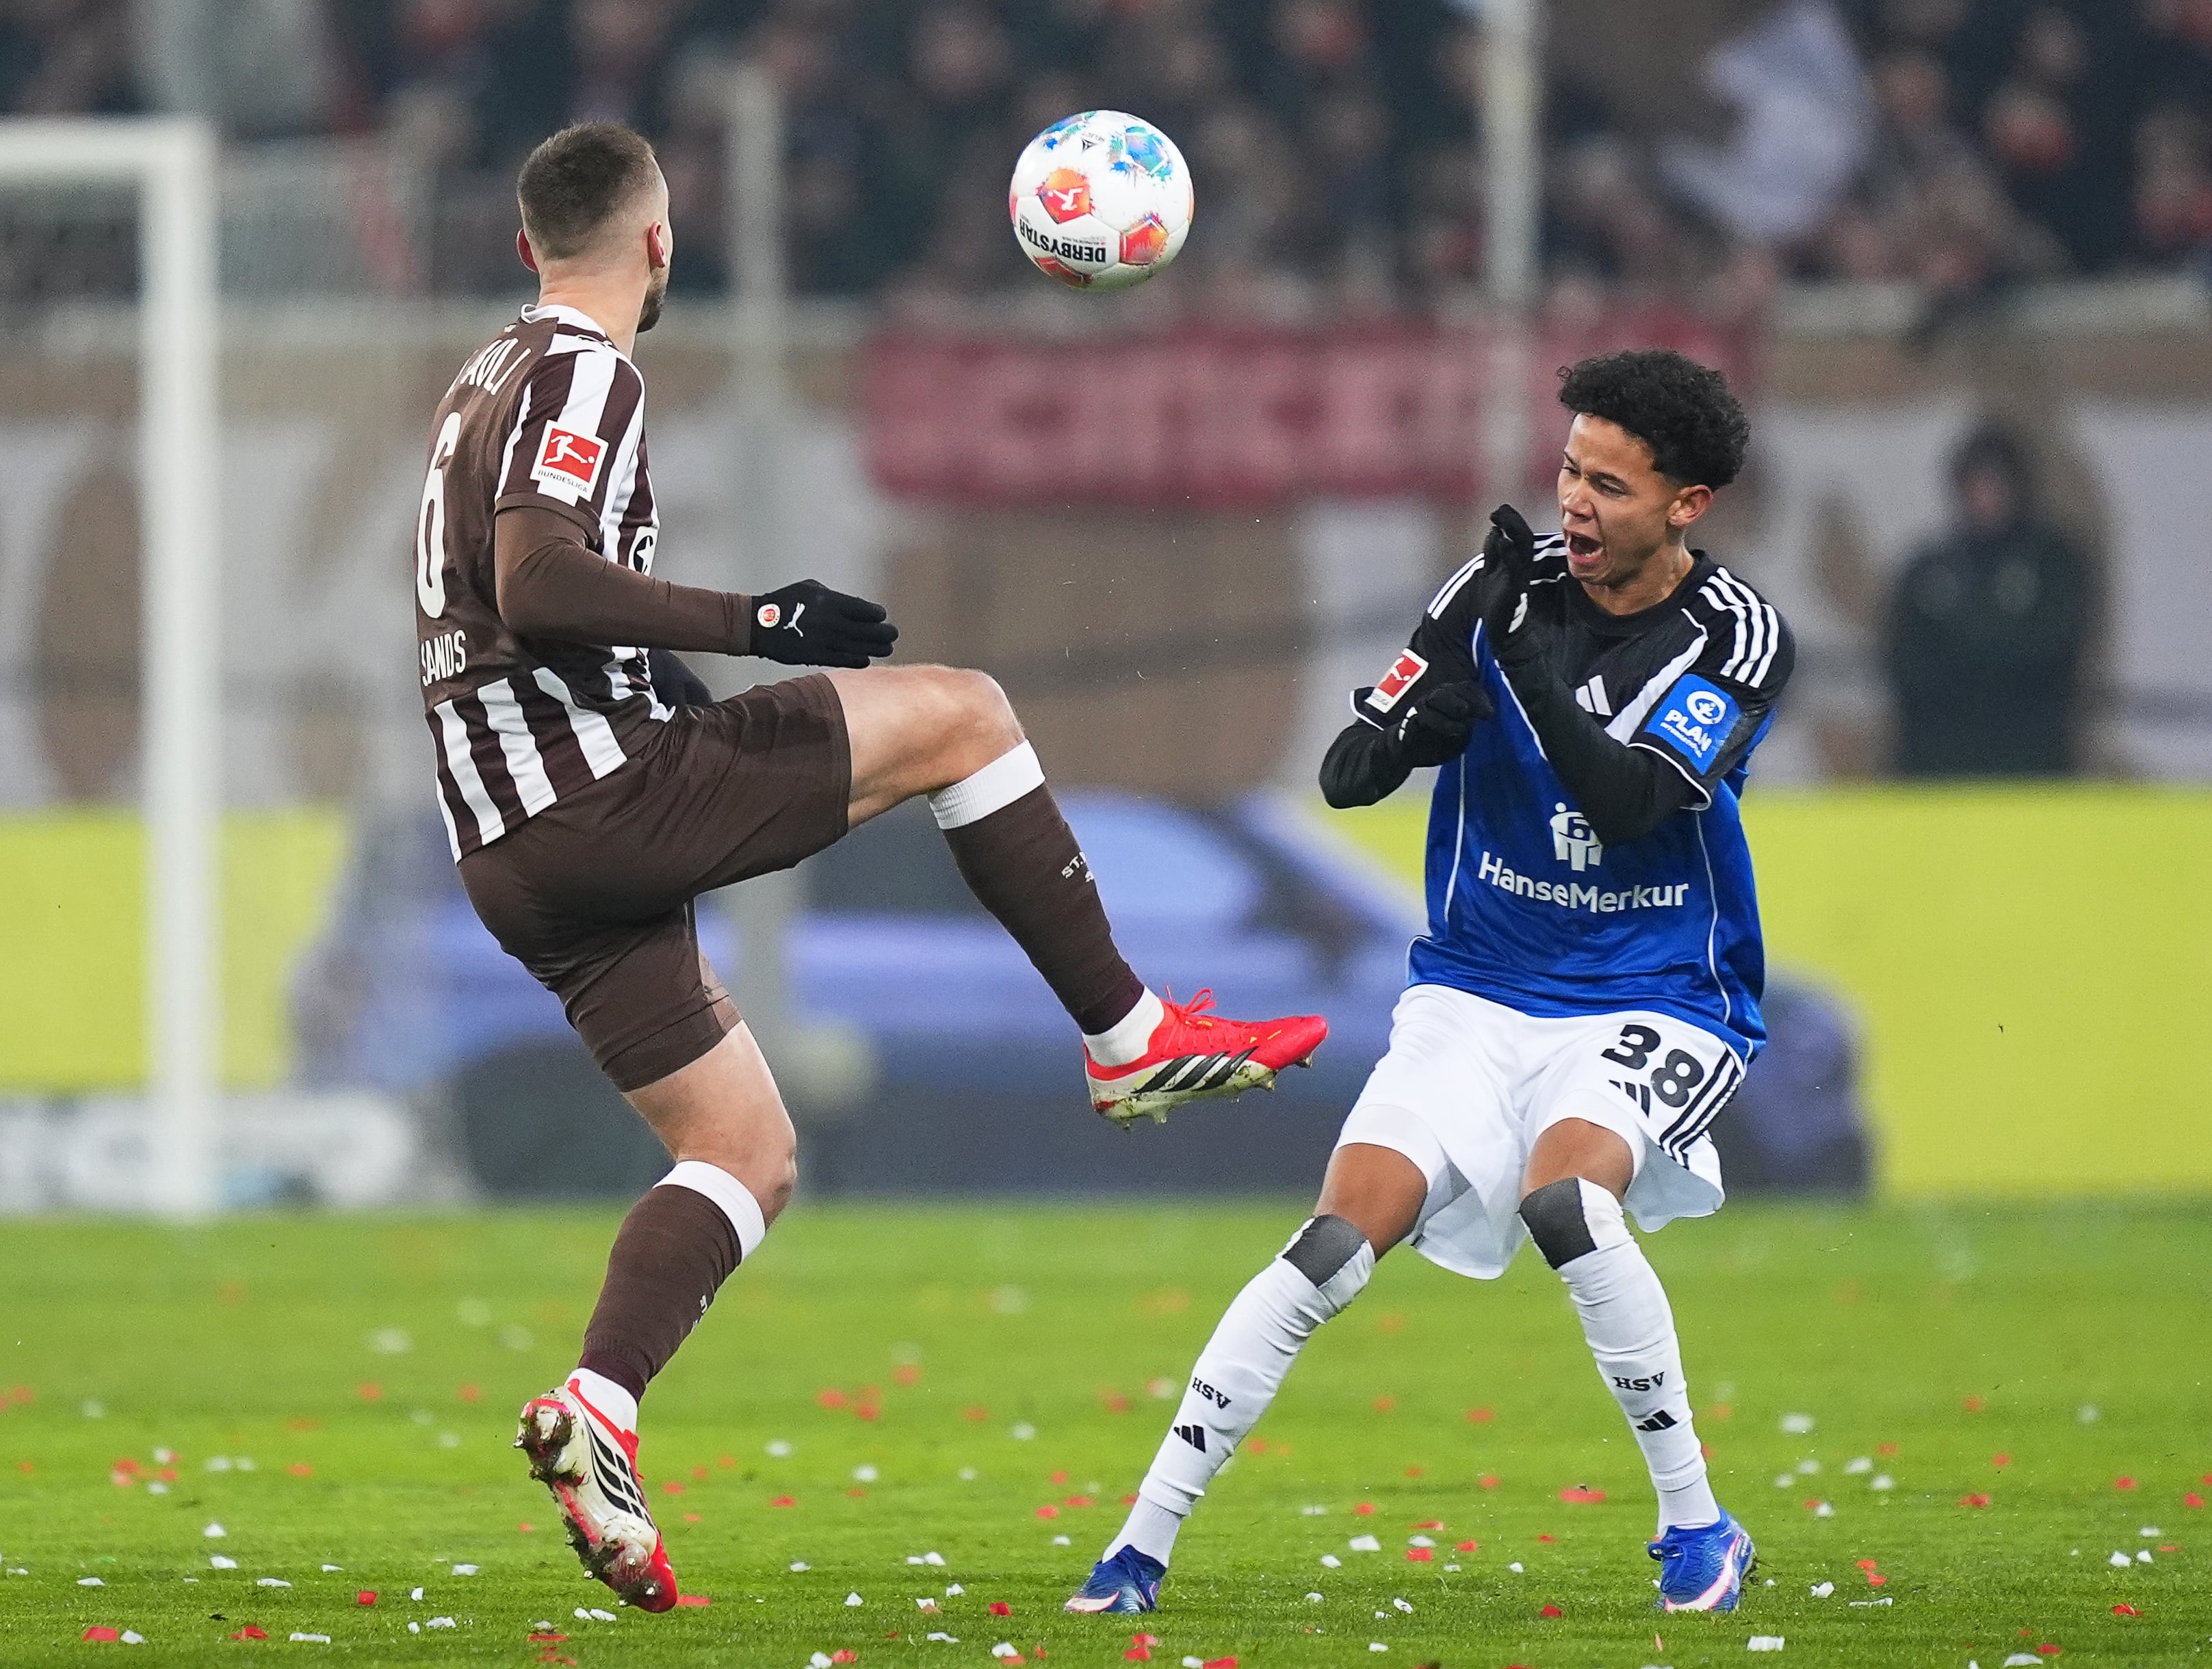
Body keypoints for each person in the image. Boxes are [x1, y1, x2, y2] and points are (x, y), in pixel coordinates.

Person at [409, 121, 1327, 1612]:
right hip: (592, 797)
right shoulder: (585, 366)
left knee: (746, 1151)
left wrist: (685, 682)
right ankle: (1129, 1036)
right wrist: (753, 624)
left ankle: (599, 1405)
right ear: (656, 242)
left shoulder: (483, 377)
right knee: (964, 714)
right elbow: (534, 579)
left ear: (526, 245)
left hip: (510, 846)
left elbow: (510, 601)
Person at [1068, 349, 1791, 1618]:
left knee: (1567, 1204)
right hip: (1471, 989)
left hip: (1654, 991)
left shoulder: (1734, 637)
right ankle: (1135, 1552)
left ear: (1687, 505)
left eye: (1610, 486)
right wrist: (1417, 726)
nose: (1573, 500)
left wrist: (1510, 665)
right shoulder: (1489, 593)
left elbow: (1630, 805)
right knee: (1334, 1238)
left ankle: (1697, 1527)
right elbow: (1349, 771)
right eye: (1569, 468)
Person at [1884, 425, 2094, 777]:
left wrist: (1964, 639)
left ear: (2018, 487)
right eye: (1974, 483)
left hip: (2029, 763)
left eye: (1995, 482)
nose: (1983, 495)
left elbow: (2051, 653)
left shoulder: (2055, 564)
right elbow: (1905, 663)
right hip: (1937, 765)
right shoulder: (1927, 569)